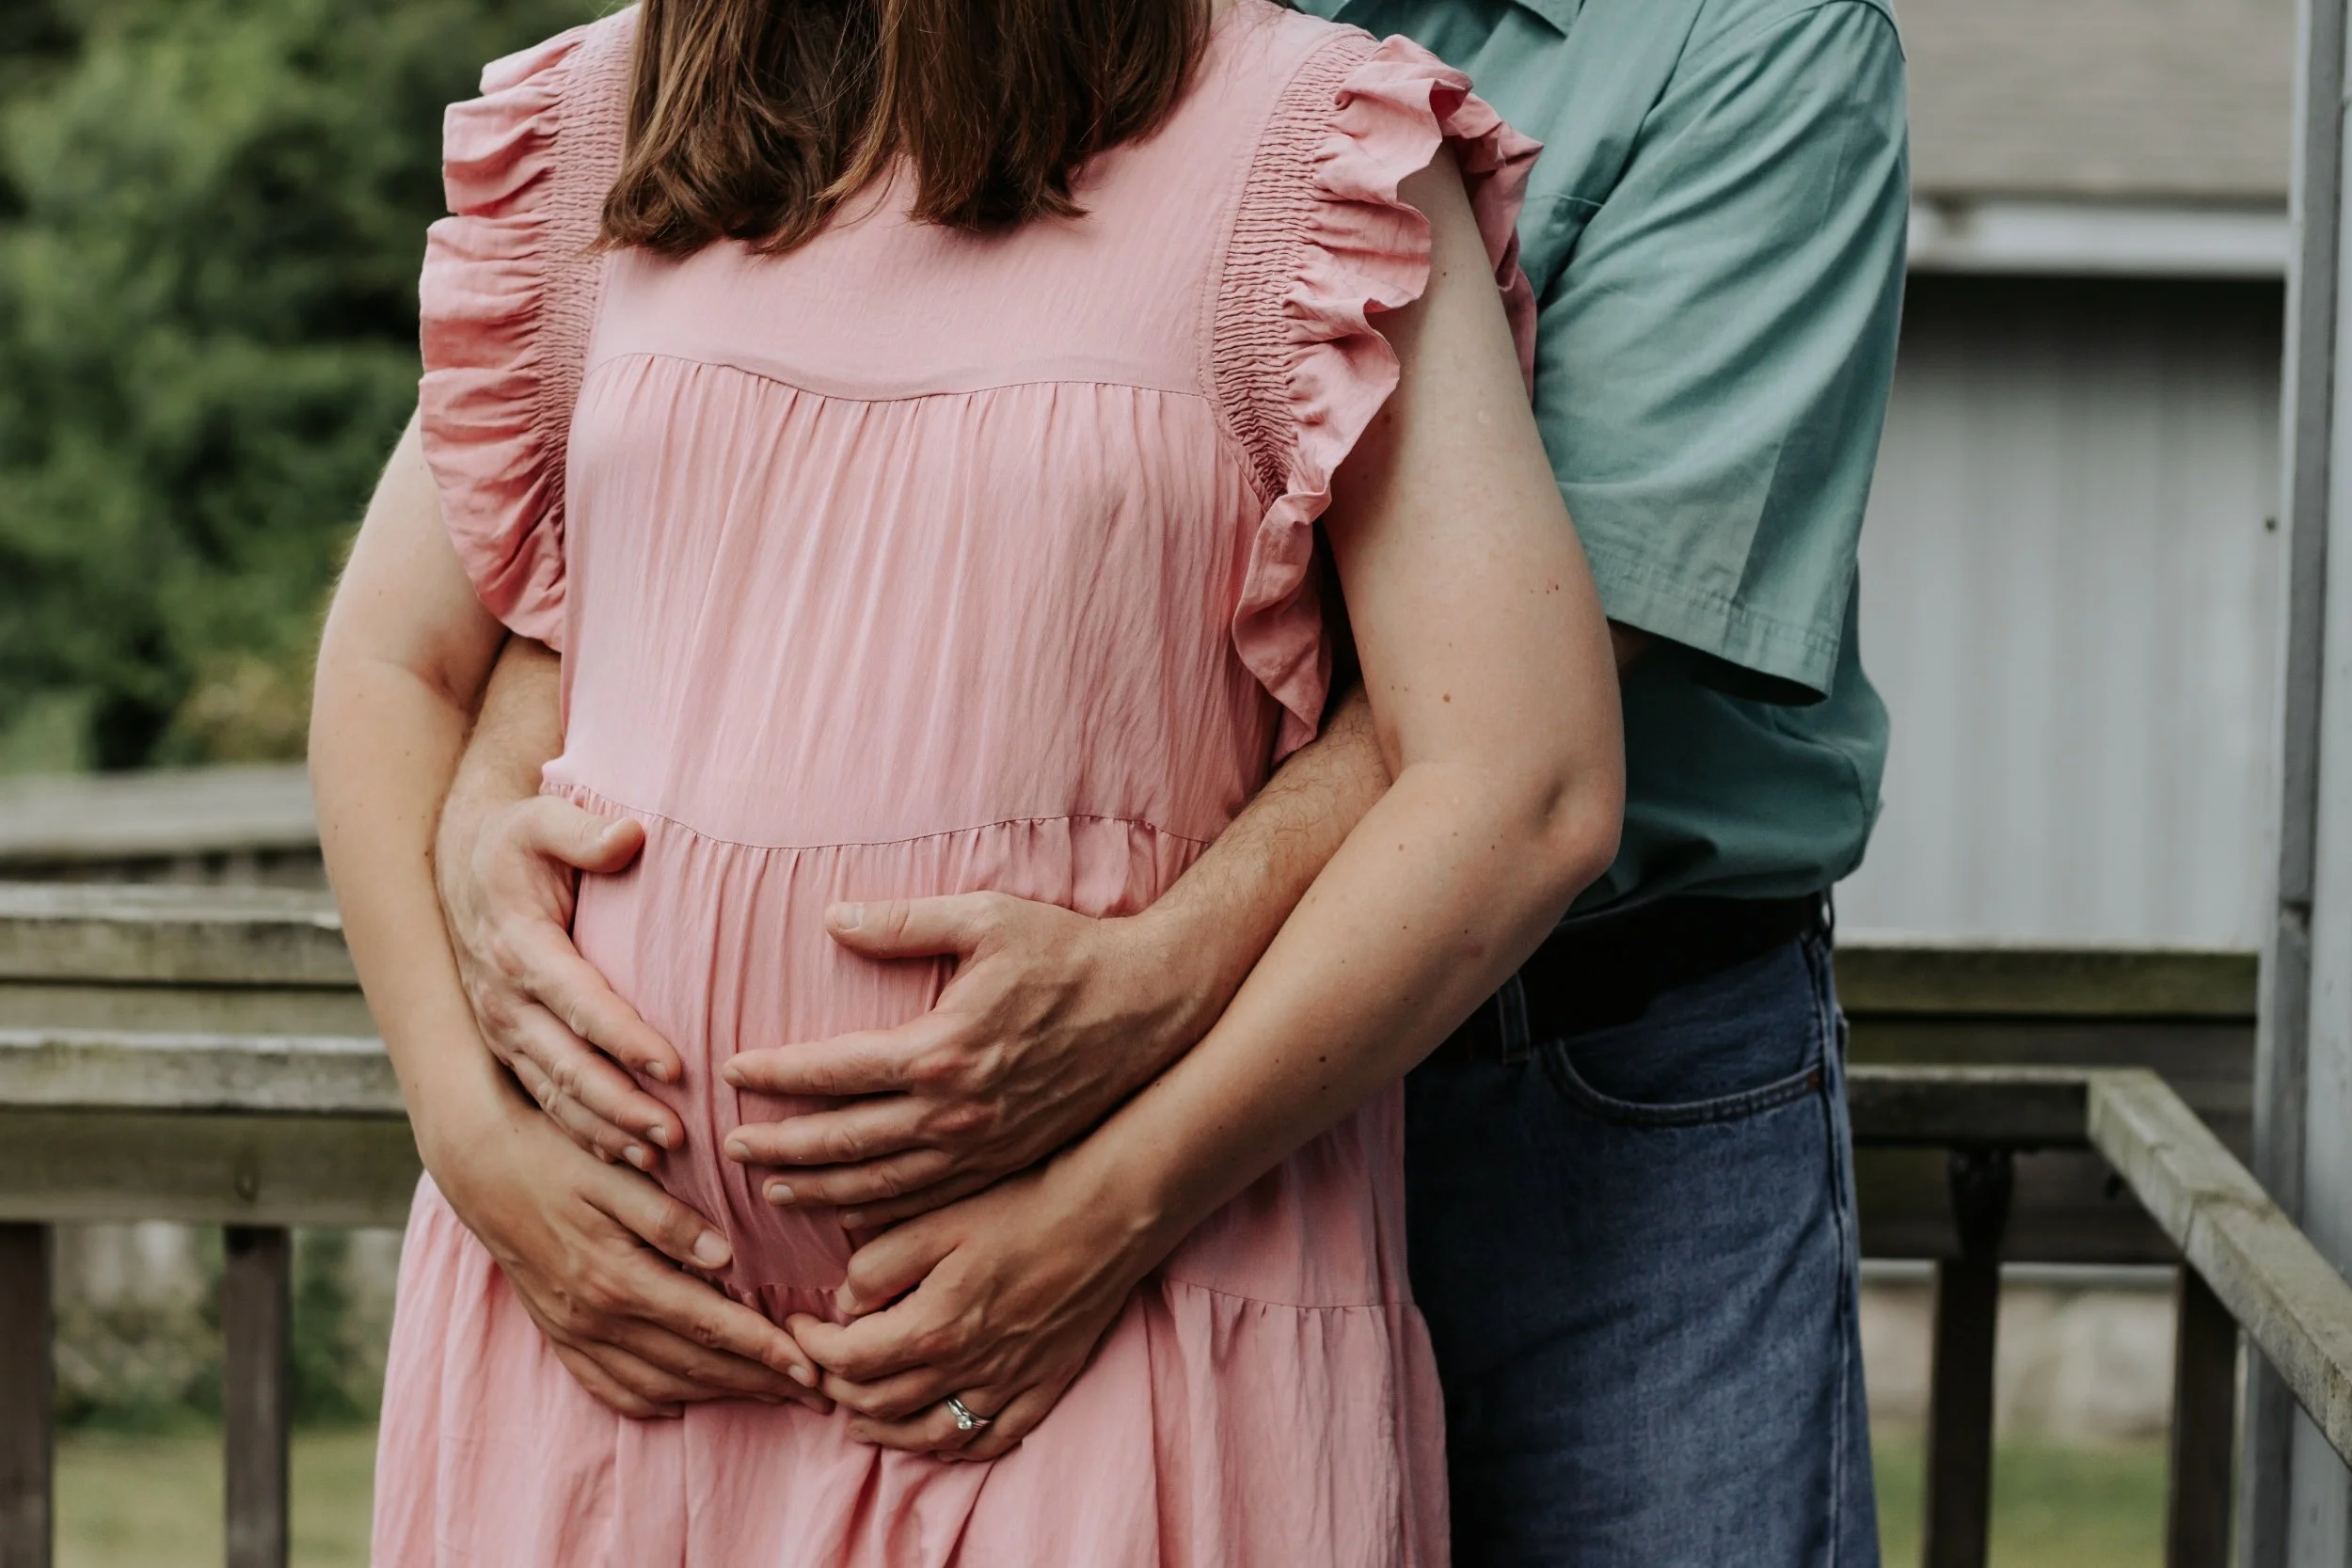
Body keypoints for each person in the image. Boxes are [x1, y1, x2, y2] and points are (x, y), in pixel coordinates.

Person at [430, 0, 1907, 1563]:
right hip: (1072, 1142)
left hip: (1592, 1070)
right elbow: (582, 554)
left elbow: (1526, 696)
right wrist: (480, 831)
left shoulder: (1742, 45)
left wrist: (1165, 978)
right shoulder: (1080, 47)